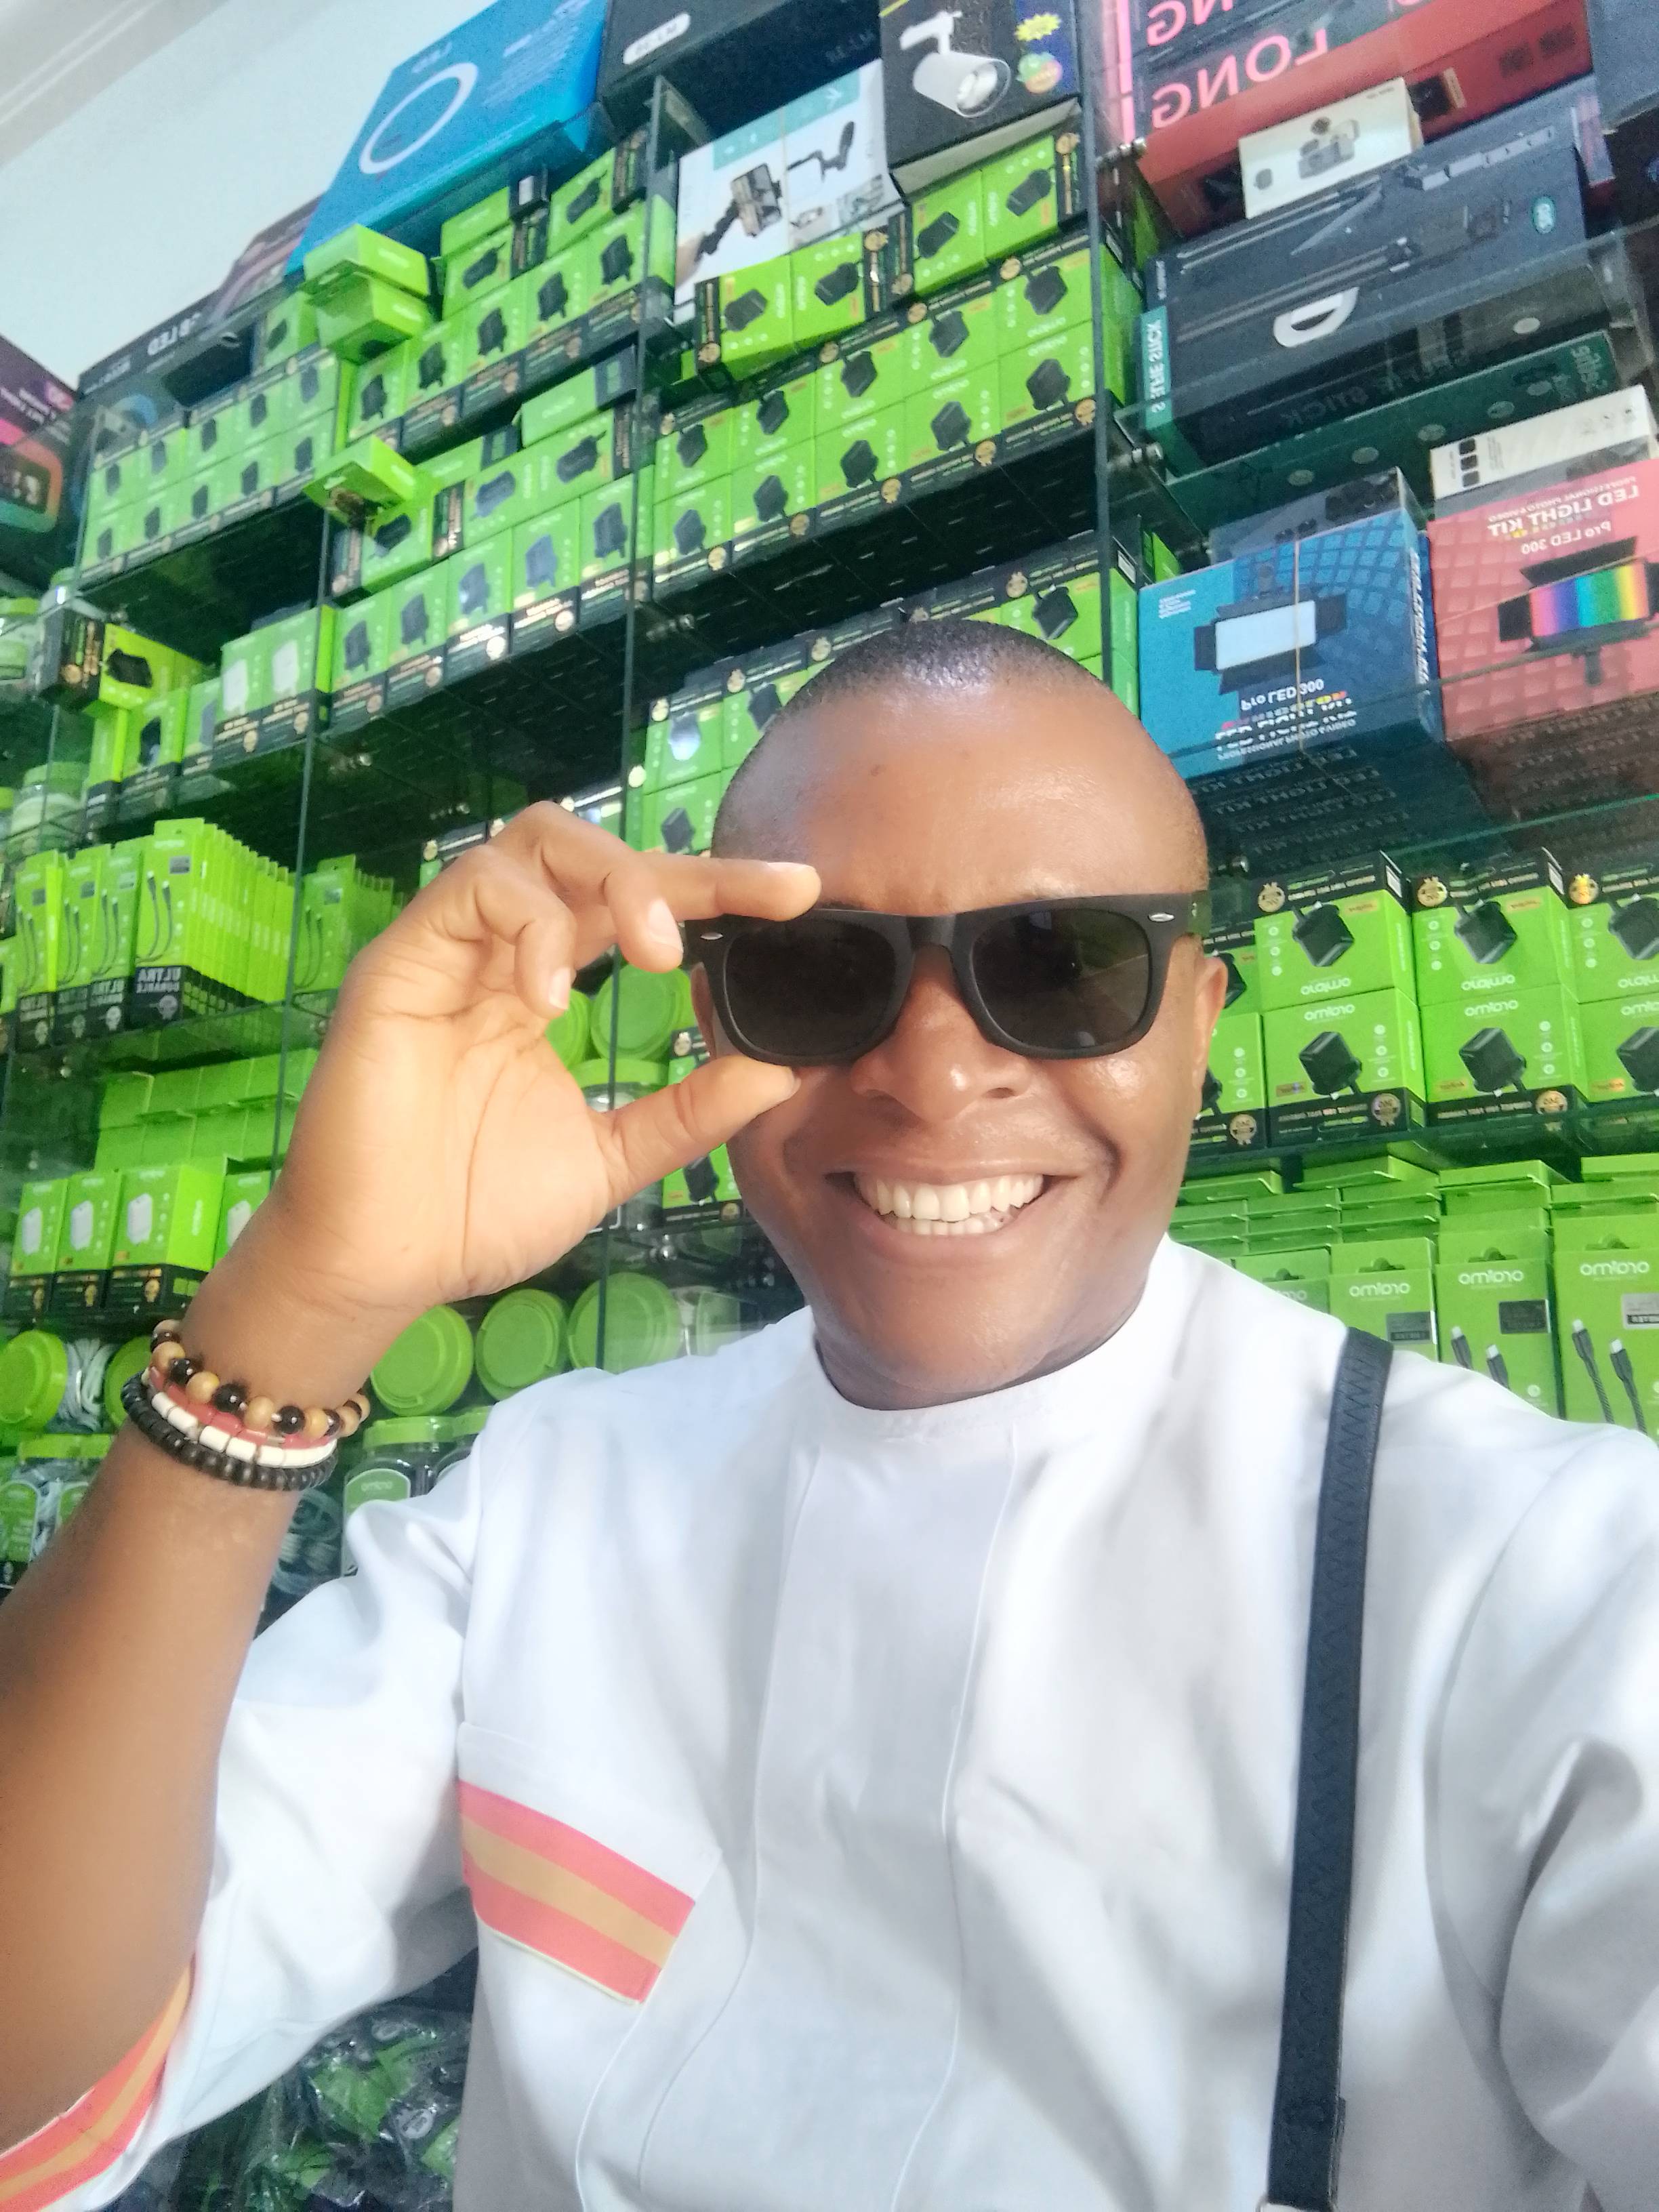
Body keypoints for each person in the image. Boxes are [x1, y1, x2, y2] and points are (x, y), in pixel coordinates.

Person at [0, 619, 1656, 2212]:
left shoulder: (1534, 1575)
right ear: (711, 1021)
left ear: (1200, 1021)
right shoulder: (552, 1499)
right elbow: (35, 2065)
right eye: (815, 974)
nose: (933, 1077)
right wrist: (304, 1291)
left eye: (1063, 963)